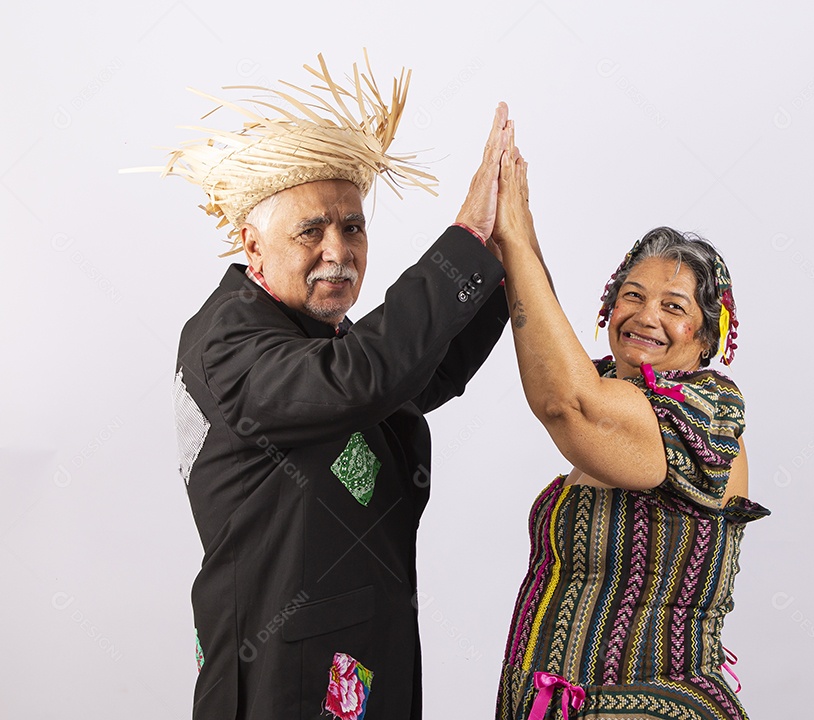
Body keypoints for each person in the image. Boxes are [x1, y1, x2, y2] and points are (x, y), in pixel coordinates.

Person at [155, 55, 511, 719]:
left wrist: (497, 260)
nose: (338, 251)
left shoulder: (311, 332)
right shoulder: (227, 341)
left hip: (355, 664)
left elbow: (413, 377)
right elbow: (361, 378)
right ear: (252, 246)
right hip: (282, 681)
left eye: (352, 227)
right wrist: (463, 239)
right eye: (310, 231)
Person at [489, 131, 770, 719]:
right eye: (633, 296)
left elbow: (569, 403)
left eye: (674, 306)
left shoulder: (706, 415)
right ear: (609, 307)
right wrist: (518, 227)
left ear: (707, 337)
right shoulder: (616, 395)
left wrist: (514, 240)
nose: (646, 316)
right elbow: (561, 364)